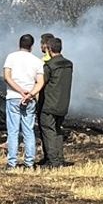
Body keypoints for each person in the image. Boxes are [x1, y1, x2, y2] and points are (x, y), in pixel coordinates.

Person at [2, 34, 44, 169]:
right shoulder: (37, 61)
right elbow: (40, 82)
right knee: (28, 131)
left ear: (19, 44)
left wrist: (20, 91)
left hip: (13, 97)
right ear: (31, 46)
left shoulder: (11, 57)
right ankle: (29, 163)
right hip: (30, 100)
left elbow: (7, 77)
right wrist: (30, 94)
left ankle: (12, 163)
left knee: (13, 131)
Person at [40, 37, 73, 168]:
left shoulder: (49, 66)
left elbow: (41, 82)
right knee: (58, 130)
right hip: (63, 104)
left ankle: (53, 161)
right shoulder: (68, 64)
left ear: (49, 49)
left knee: (48, 131)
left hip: (49, 104)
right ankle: (59, 158)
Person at [36, 32, 56, 165]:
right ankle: (50, 156)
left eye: (41, 44)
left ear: (45, 44)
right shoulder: (58, 60)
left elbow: (40, 81)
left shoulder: (45, 61)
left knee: (46, 130)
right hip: (55, 99)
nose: (40, 47)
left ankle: (50, 158)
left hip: (45, 99)